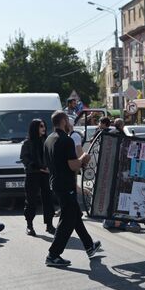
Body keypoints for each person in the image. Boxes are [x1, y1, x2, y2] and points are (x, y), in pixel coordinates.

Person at [44, 110, 101, 267]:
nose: (70, 124)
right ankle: (53, 255)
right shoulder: (65, 140)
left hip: (56, 183)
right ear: (63, 122)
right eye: (68, 121)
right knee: (67, 221)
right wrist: (83, 158)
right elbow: (73, 166)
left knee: (75, 215)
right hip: (66, 185)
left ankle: (89, 246)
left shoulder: (49, 139)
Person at [20, 119, 55, 237]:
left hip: (46, 175)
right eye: (41, 126)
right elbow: (25, 159)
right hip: (33, 175)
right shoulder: (27, 143)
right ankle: (29, 226)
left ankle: (49, 225)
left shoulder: (47, 141)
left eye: (44, 126)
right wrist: (38, 167)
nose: (43, 128)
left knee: (48, 200)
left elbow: (52, 156)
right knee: (31, 201)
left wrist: (50, 168)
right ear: (35, 128)